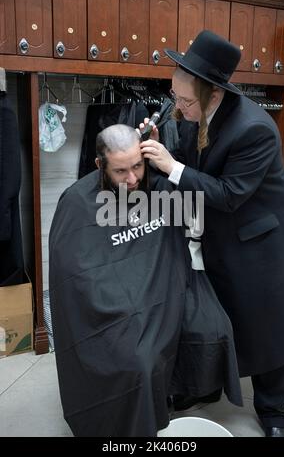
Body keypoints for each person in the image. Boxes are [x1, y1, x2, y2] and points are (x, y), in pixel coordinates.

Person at [140, 30, 284, 437]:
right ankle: (208, 385)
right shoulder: (195, 112)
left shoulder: (255, 129)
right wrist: (163, 147)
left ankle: (274, 411)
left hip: (264, 241)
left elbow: (229, 194)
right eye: (175, 97)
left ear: (214, 94)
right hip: (224, 233)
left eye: (186, 100)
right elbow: (195, 165)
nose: (179, 106)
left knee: (267, 326)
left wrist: (169, 167)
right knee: (217, 314)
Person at [49, 123, 242, 437]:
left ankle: (180, 391)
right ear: (99, 165)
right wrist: (125, 305)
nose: (133, 179)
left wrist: (169, 163)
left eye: (138, 166)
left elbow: (193, 222)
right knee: (138, 359)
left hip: (167, 288)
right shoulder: (77, 202)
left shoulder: (159, 186)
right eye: (121, 171)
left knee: (214, 326)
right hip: (112, 306)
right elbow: (77, 276)